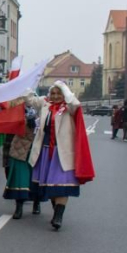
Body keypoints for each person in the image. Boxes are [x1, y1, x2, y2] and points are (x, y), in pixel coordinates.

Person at [24, 81, 92, 230]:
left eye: (58, 93)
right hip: (44, 150)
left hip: (61, 153)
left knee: (61, 185)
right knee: (51, 186)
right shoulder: (45, 104)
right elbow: (29, 99)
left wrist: (65, 90)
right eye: (53, 93)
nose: (55, 96)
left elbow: (76, 103)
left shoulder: (69, 108)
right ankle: (57, 210)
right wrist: (27, 81)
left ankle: (58, 216)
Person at [3, 102, 38, 219]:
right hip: (19, 148)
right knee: (20, 180)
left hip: (36, 149)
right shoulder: (15, 108)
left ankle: (36, 203)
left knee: (35, 179)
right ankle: (19, 207)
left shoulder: (42, 108)